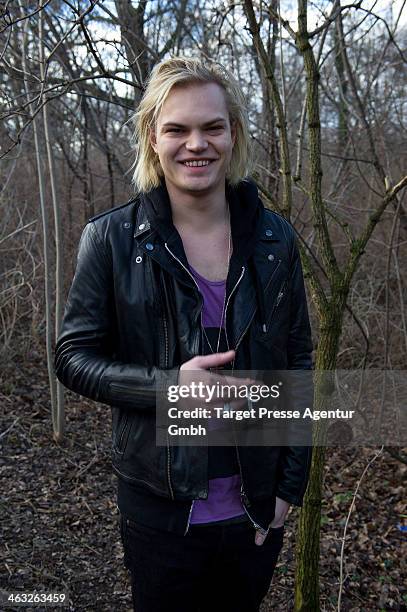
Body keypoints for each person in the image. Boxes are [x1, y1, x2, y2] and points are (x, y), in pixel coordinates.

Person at [55, 56, 313, 612]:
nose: (196, 143)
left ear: (233, 134)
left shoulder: (275, 240)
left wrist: (290, 489)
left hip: (255, 510)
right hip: (160, 510)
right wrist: (169, 387)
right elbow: (73, 356)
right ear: (153, 137)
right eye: (177, 128)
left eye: (212, 126)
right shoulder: (111, 240)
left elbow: (298, 360)